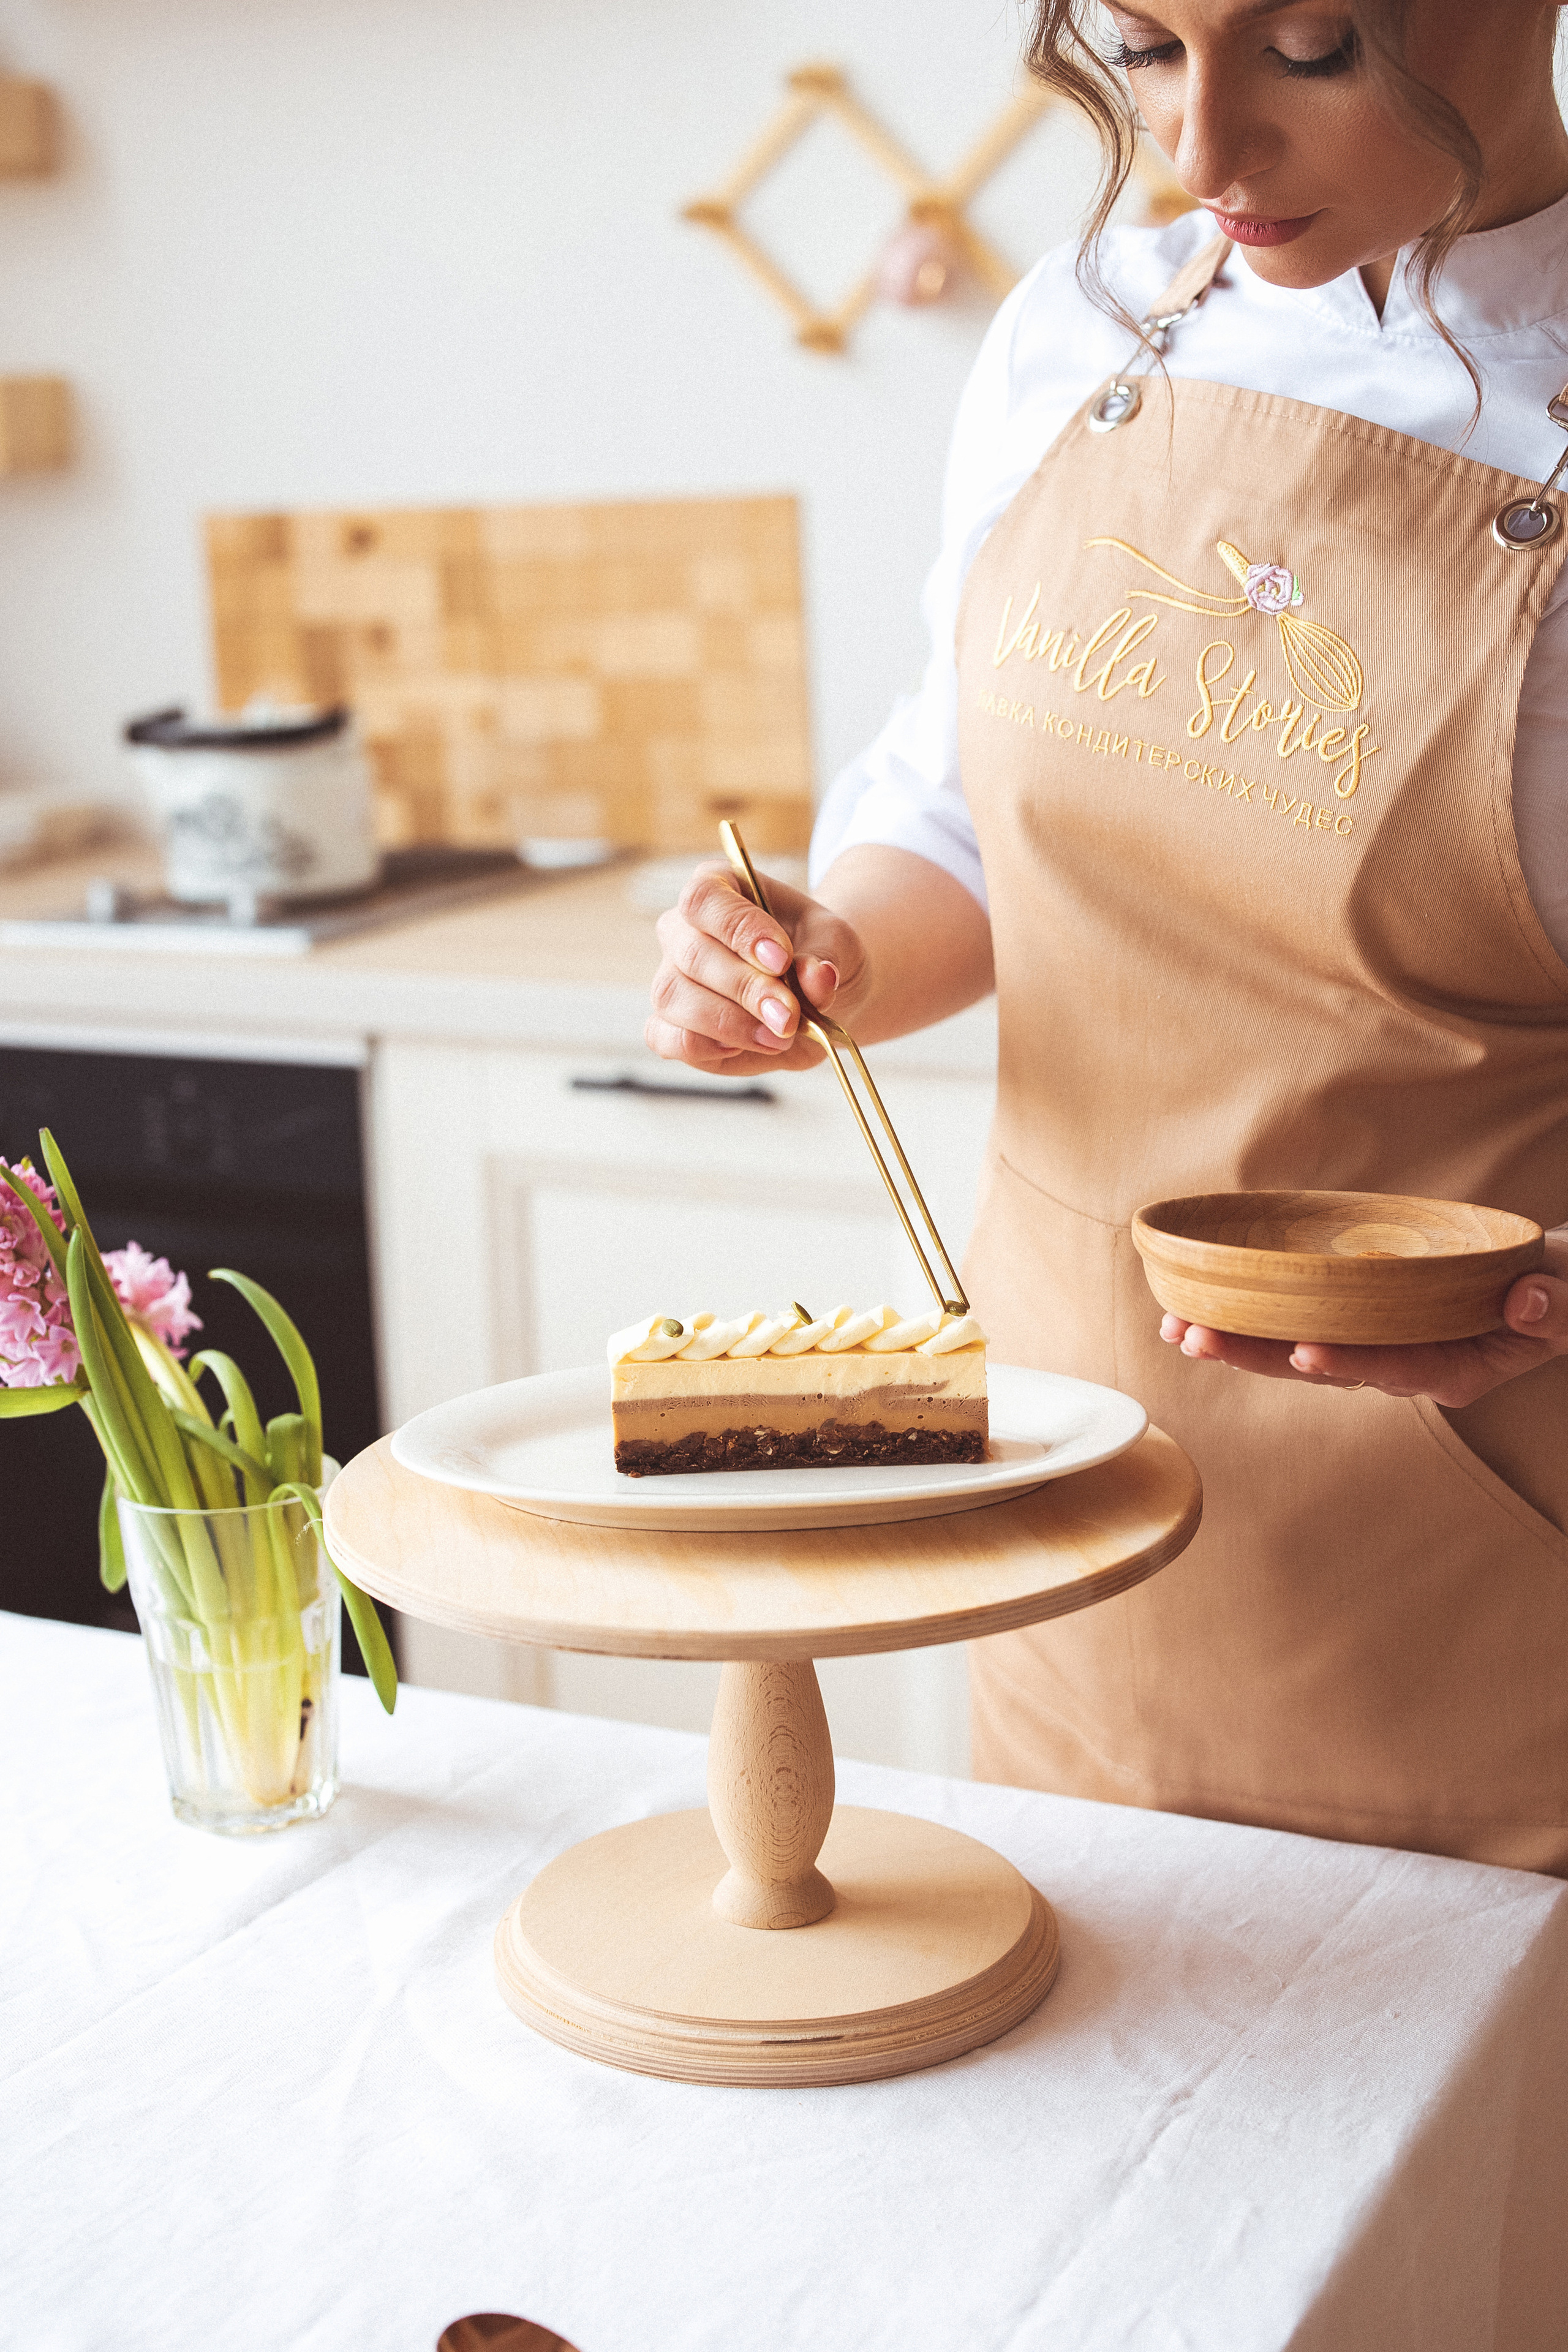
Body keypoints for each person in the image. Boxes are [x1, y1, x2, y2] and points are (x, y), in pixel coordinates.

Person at [647, 0, 1568, 1874]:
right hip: (1076, 1489)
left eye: (1311, 48)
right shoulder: (1084, 328)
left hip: (1486, 1536)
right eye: (1148, 47)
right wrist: (827, 955)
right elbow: (957, 808)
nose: (1200, 148)